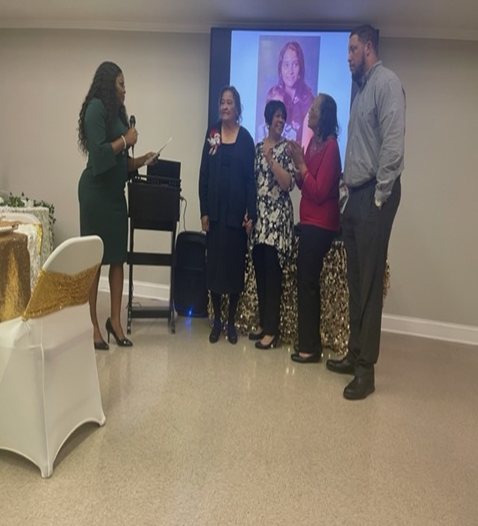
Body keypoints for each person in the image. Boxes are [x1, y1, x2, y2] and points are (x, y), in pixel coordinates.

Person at [326, 24, 405, 400]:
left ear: (368, 48)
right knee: (355, 282)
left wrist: (378, 197)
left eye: (352, 49)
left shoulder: (386, 84)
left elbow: (393, 147)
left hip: (375, 194)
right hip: (355, 196)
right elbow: (357, 149)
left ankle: (365, 373)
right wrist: (346, 193)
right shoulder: (359, 92)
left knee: (370, 283)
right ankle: (354, 353)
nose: (348, 57)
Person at [78, 61, 157, 350]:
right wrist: (126, 139)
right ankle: (93, 327)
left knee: (117, 258)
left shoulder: (118, 113)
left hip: (114, 196)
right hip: (95, 195)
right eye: (121, 83)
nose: (125, 89)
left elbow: (120, 164)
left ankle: (115, 322)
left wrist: (141, 160)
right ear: (109, 82)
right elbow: (99, 158)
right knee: (95, 260)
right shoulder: (96, 107)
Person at [198, 86, 257, 345]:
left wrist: (251, 214)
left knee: (233, 273)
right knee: (214, 272)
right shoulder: (213, 134)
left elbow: (250, 181)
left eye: (229, 102)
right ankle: (218, 322)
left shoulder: (246, 139)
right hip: (216, 217)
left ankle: (231, 323)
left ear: (237, 108)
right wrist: (204, 211)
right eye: (222, 102)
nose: (224, 106)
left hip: (236, 219)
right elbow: (204, 175)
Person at [288, 94, 341, 364]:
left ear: (324, 117)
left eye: (313, 110)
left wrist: (302, 165)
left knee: (308, 282)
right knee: (305, 281)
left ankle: (310, 348)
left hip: (321, 225)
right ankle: (308, 343)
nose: (308, 113)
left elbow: (319, 192)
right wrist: (298, 164)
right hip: (308, 222)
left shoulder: (331, 147)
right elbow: (304, 185)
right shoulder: (313, 145)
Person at [249, 100, 296, 350]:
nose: (280, 120)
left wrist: (272, 160)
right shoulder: (257, 148)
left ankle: (272, 331)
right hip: (259, 218)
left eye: (283, 117)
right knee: (259, 271)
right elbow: (252, 183)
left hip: (277, 219)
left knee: (272, 272)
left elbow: (288, 183)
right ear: (268, 119)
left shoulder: (286, 149)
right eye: (276, 116)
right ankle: (263, 323)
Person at [265, 42, 314, 148]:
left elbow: (305, 149)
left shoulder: (308, 101)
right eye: (286, 65)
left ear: (300, 68)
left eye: (295, 64)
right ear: (280, 69)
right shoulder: (274, 94)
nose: (290, 71)